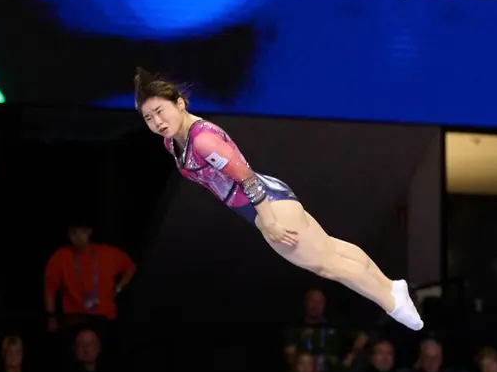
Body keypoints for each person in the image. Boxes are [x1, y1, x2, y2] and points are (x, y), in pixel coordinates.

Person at [134, 68, 423, 331]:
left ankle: (392, 304)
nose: (157, 122)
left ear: (180, 103)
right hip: (266, 197)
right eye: (149, 118)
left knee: (327, 265)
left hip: (265, 205)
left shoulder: (202, 141)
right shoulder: (172, 141)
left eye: (160, 111)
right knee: (330, 247)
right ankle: (391, 287)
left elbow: (246, 177)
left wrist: (268, 221)